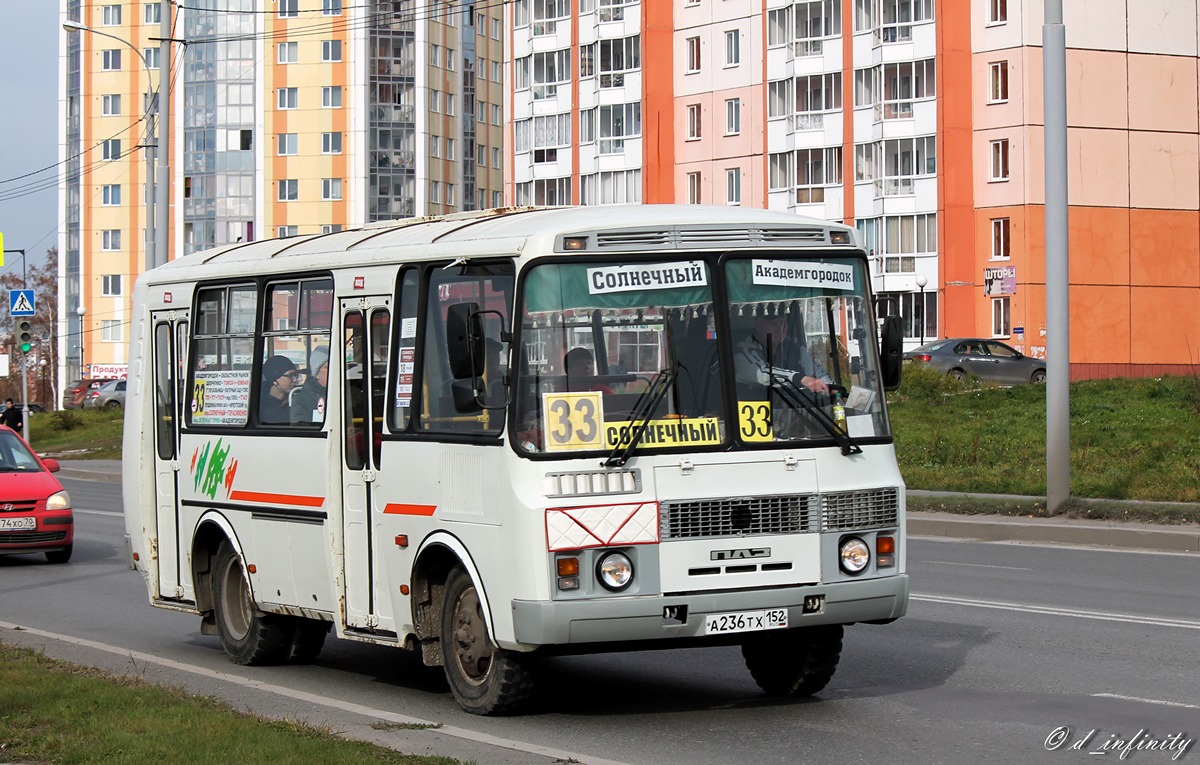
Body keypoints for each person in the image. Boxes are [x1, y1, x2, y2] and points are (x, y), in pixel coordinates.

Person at [734, 311, 831, 395]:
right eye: (774, 323)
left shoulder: (795, 347)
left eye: (783, 322)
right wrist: (800, 379)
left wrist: (831, 388)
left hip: (794, 410)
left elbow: (819, 375)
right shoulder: (743, 349)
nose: (780, 327)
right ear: (759, 325)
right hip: (754, 410)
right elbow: (761, 373)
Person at [291, 346, 330, 425]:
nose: (332, 370)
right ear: (317, 373)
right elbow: (301, 429)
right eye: (327, 367)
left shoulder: (350, 393)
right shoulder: (302, 399)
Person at [259, 355, 298, 424]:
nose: (295, 380)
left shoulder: (297, 402)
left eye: (296, 375)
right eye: (290, 376)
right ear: (274, 380)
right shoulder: (261, 407)